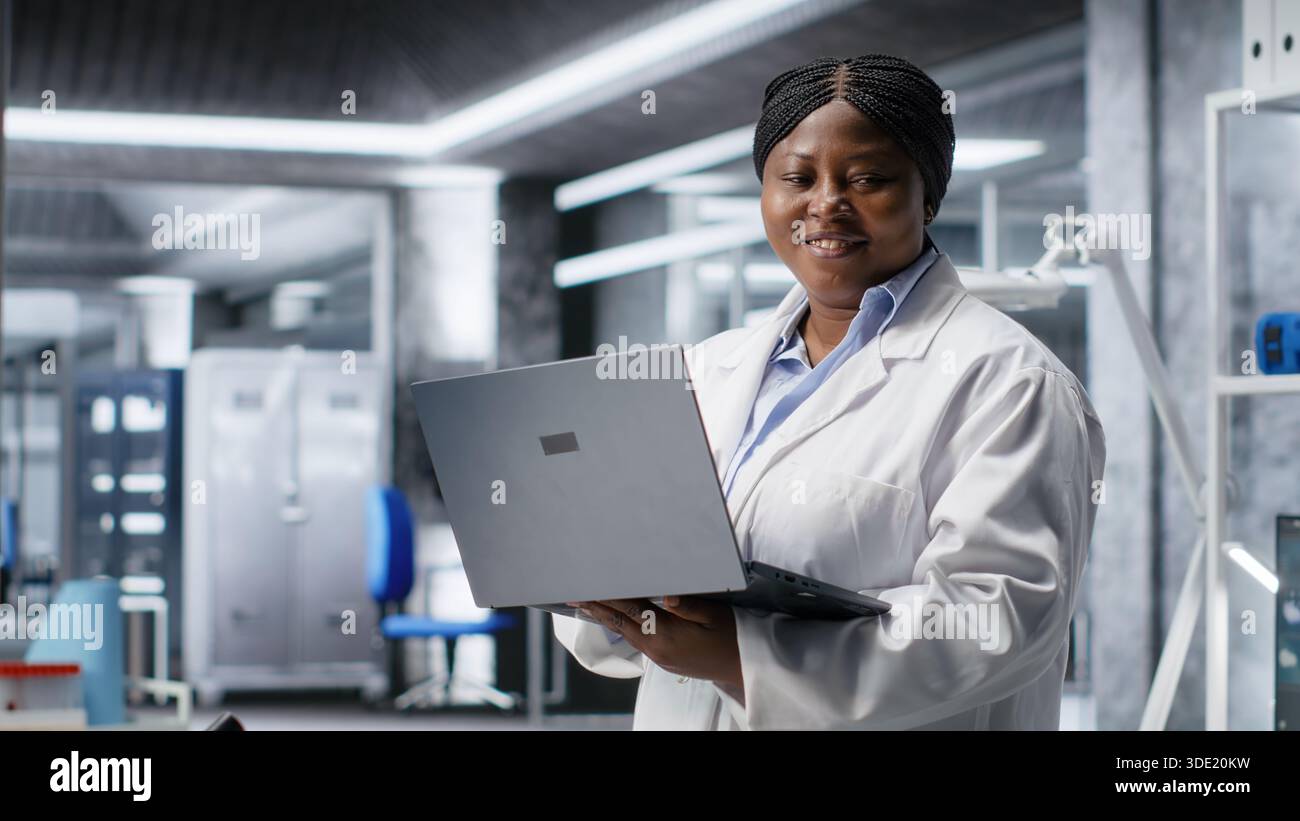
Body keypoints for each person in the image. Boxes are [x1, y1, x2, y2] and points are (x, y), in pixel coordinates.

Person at [555, 54, 1106, 730]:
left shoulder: (1010, 382)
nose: (826, 203)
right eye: (796, 177)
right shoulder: (706, 368)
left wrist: (741, 655)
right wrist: (611, 600)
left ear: (927, 194)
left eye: (868, 178)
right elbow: (630, 609)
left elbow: (998, 619)